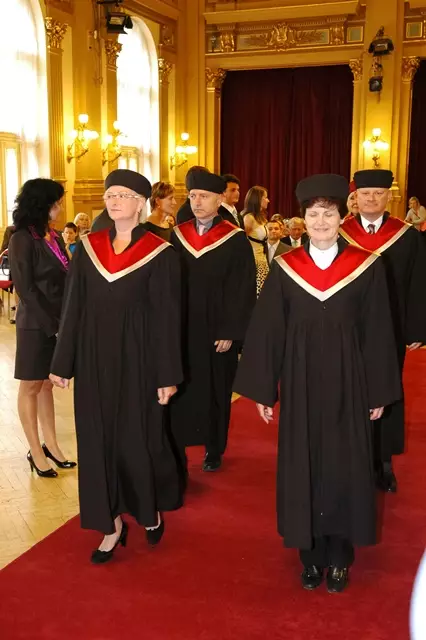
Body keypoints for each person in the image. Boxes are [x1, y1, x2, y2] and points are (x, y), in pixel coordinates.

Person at [234, 174, 401, 594]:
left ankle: (340, 557)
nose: (321, 221)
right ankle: (309, 556)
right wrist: (264, 388)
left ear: (342, 216)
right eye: (313, 214)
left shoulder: (367, 266)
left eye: (328, 213)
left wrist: (378, 392)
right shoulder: (286, 268)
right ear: (302, 220)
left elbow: (379, 333)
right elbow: (269, 329)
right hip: (301, 382)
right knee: (302, 464)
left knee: (345, 466)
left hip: (350, 383)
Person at [49, 169, 183, 563]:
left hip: (140, 361)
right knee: (96, 440)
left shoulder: (160, 253)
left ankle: (147, 509)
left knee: (137, 438)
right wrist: (62, 362)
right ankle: (109, 525)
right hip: (94, 359)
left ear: (141, 203)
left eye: (124, 195)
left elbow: (167, 319)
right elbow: (73, 307)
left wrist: (167, 375)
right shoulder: (88, 249)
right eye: (111, 195)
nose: (115, 201)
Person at [340, 169, 426, 492]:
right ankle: (350, 458)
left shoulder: (407, 236)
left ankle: (384, 463)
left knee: (387, 389)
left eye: (378, 193)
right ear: (356, 197)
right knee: (346, 388)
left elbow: (418, 284)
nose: (372, 199)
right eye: (366, 194)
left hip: (391, 328)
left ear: (389, 197)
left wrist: (416, 328)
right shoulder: (340, 234)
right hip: (346, 328)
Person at [170, 171, 256, 473]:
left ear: (219, 200)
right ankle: (181, 441)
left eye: (204, 196)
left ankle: (214, 447)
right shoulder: (178, 235)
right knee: (184, 386)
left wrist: (231, 330)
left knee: (216, 390)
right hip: (184, 329)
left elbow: (243, 288)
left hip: (218, 331)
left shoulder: (235, 238)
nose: (196, 202)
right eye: (192, 196)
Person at [8, 178, 76, 478]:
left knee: (48, 383)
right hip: (36, 324)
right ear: (42, 205)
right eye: (56, 203)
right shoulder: (21, 238)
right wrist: (53, 326)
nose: (60, 208)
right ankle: (35, 451)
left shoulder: (54, 236)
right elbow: (25, 289)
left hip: (59, 321)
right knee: (31, 386)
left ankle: (52, 446)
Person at [242, 186, 270, 295]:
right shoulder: (249, 218)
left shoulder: (261, 218)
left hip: (263, 260)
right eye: (265, 198)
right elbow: (242, 242)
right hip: (254, 262)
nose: (268, 200)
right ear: (257, 199)